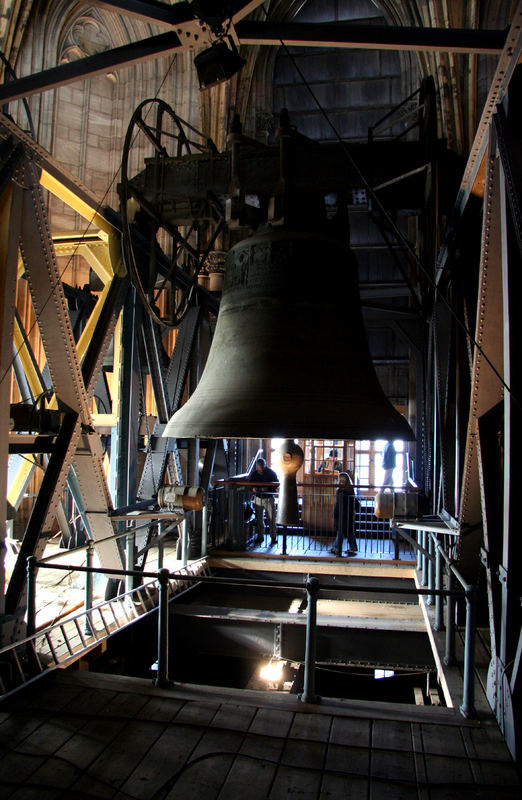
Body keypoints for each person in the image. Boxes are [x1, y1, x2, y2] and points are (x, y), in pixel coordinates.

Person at [248, 457, 279, 545]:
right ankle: (260, 536)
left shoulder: (271, 473)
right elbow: (250, 484)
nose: (261, 469)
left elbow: (276, 483)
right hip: (258, 498)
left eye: (262, 467)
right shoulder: (254, 474)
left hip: (268, 498)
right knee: (259, 518)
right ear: (257, 467)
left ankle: (273, 536)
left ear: (265, 466)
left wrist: (268, 488)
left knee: (271, 518)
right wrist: (253, 489)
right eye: (260, 467)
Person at [330, 471, 358, 556]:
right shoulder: (351, 490)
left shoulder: (340, 491)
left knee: (340, 532)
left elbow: (338, 505)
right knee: (349, 532)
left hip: (342, 514)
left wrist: (335, 514)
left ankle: (336, 548)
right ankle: (353, 547)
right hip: (350, 514)